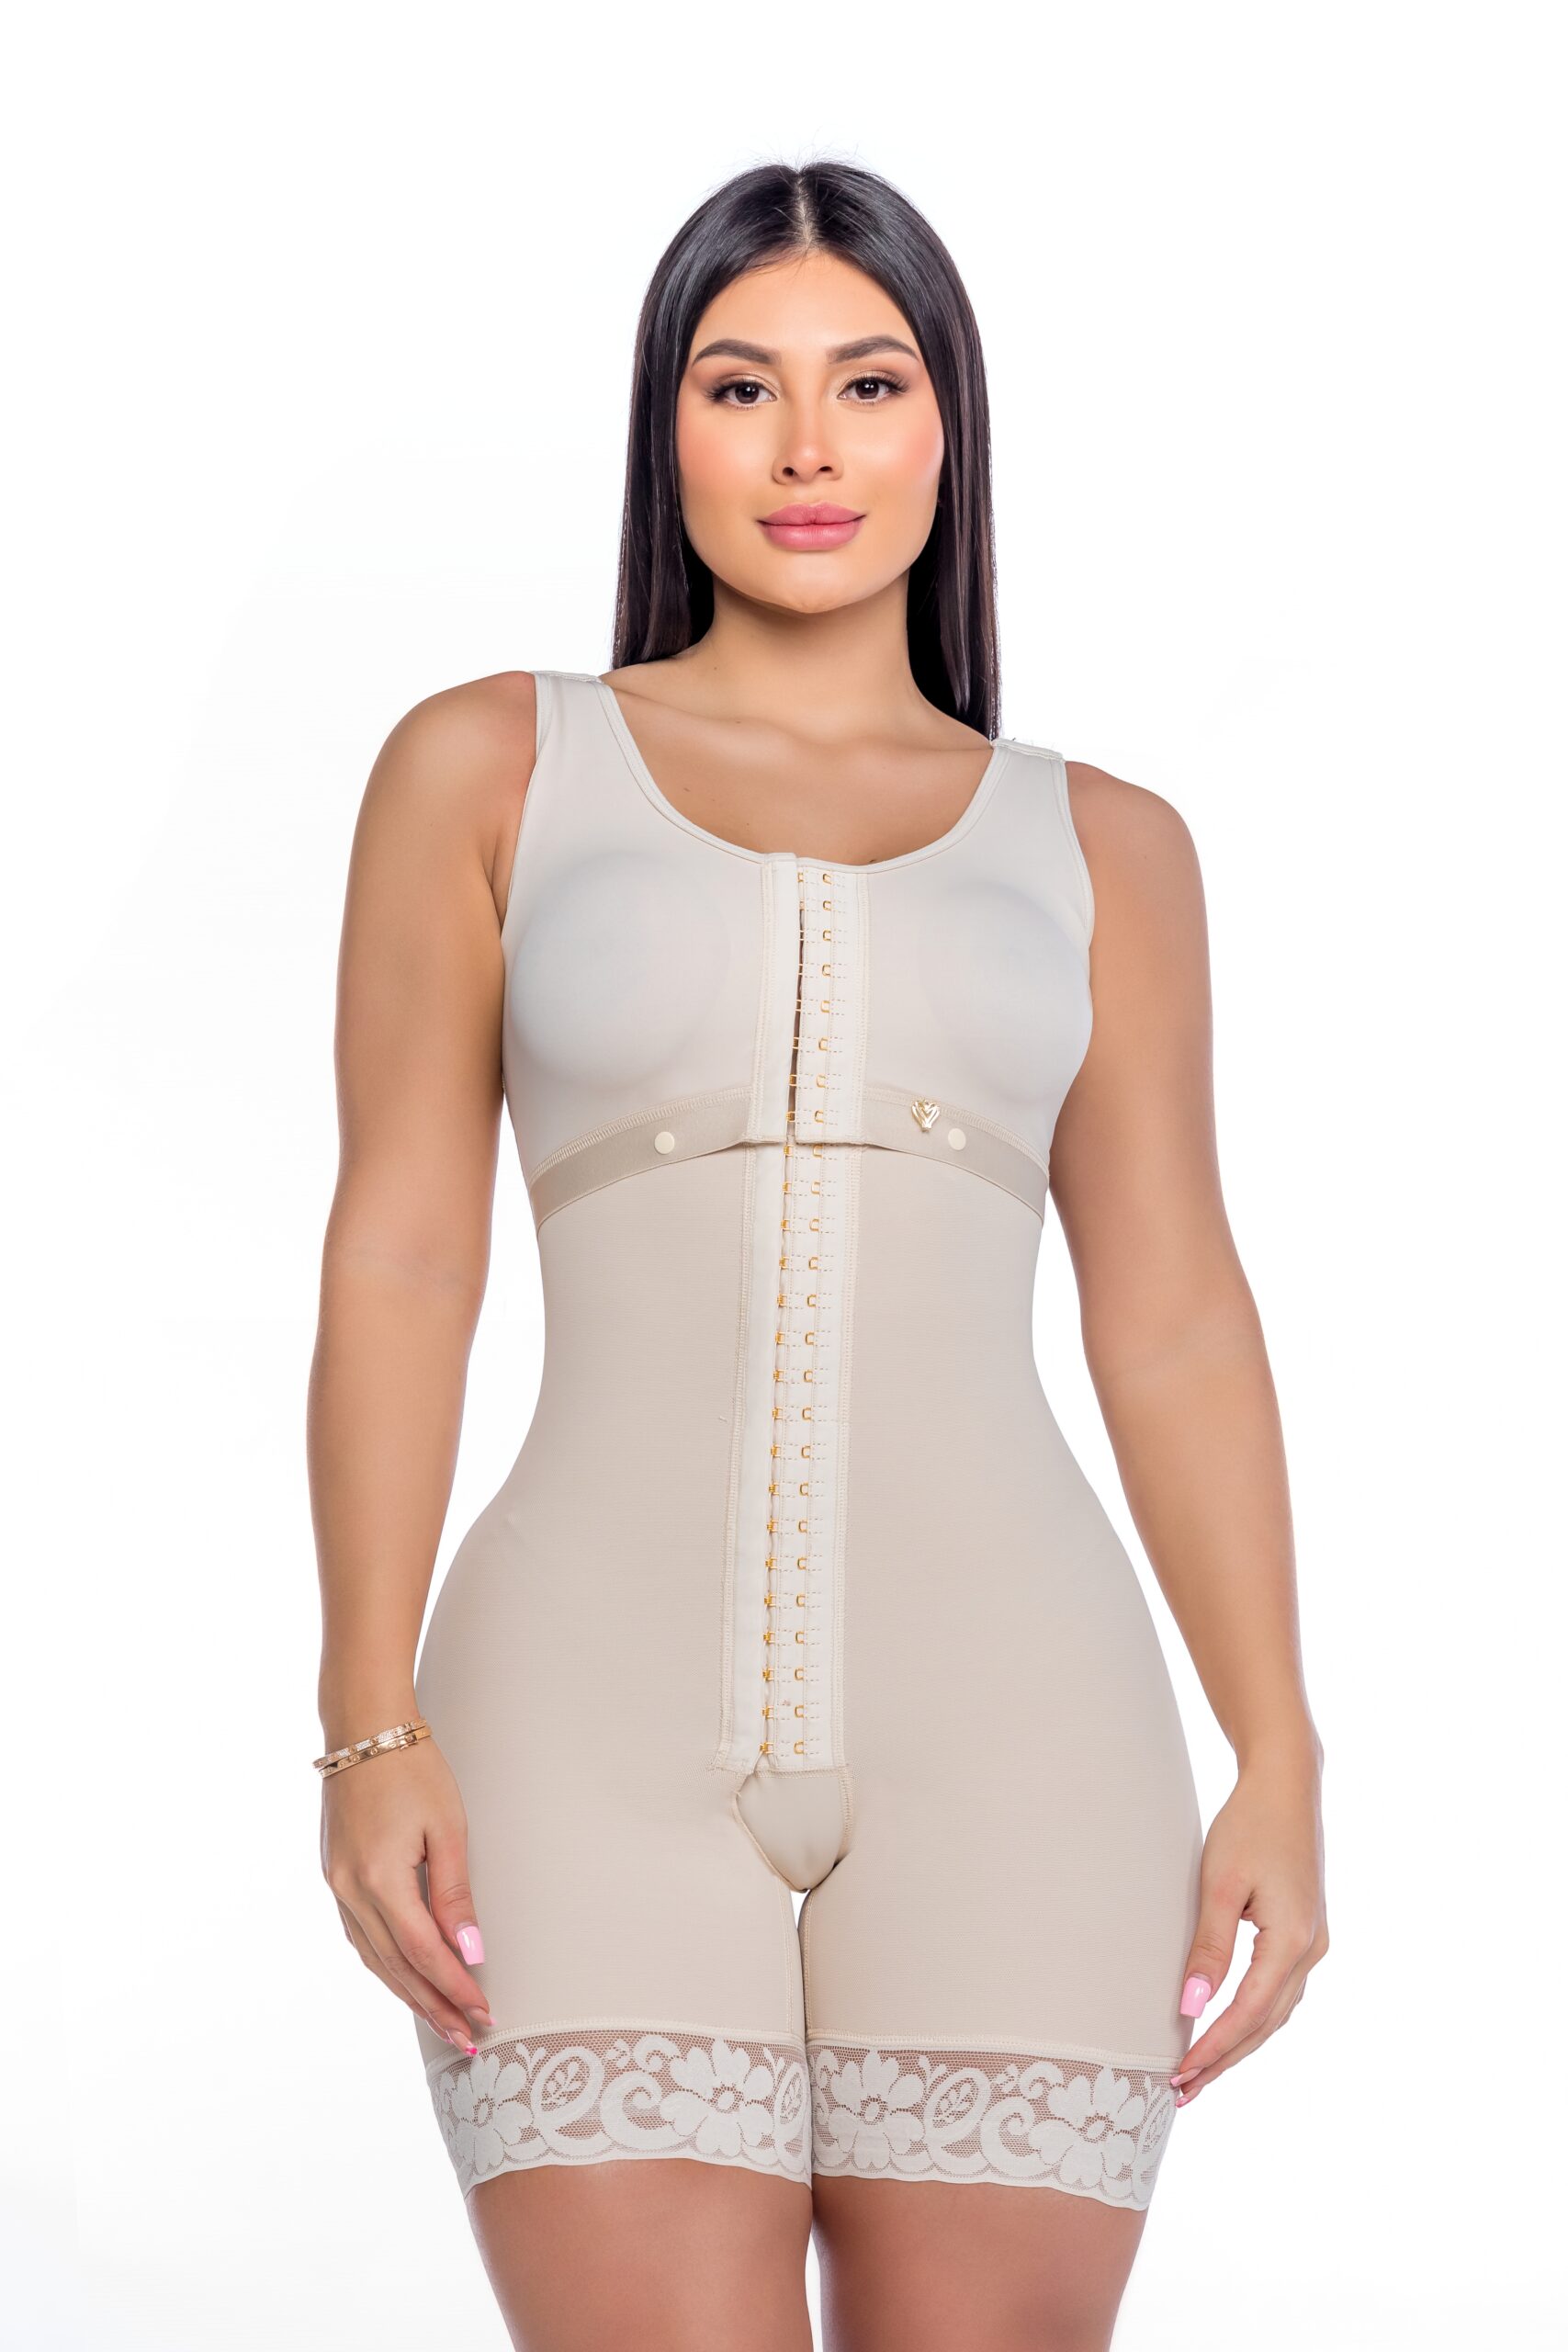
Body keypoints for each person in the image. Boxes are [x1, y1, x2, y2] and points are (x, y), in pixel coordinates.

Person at [309, 156, 1327, 2352]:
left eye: (866, 383)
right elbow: (398, 1253)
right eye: (735, 383)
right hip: (571, 1716)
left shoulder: (1107, 844)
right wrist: (363, 1714)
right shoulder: (488, 765)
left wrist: (1277, 1747)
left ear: (946, 423)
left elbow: (1169, 1314)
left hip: (1026, 1724)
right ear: (661, 427)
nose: (802, 448)